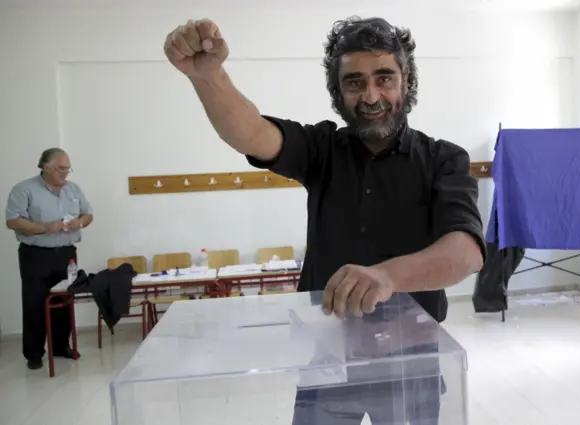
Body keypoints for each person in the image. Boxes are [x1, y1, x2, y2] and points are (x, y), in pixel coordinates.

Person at [165, 16, 486, 424]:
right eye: (354, 82)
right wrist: (208, 76)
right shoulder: (322, 150)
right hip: (327, 361)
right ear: (338, 92)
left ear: (406, 81)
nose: (371, 95)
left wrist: (387, 277)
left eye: (384, 78)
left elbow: (466, 251)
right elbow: (252, 132)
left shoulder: (444, 159)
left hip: (411, 363)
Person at [5, 148, 93, 370]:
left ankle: (61, 346)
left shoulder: (73, 189)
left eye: (67, 168)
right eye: (61, 168)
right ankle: (34, 354)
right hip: (36, 255)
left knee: (64, 300)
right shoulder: (24, 189)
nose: (66, 173)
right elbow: (13, 221)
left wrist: (80, 222)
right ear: (46, 167)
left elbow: (88, 213)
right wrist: (44, 228)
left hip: (66, 254)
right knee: (35, 303)